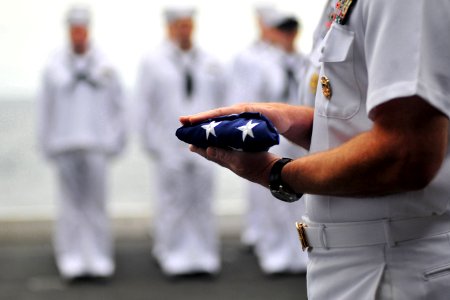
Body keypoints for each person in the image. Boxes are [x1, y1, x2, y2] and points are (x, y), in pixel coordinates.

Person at [181, 0, 450, 299]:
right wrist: (299, 122)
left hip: (392, 268)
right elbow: (359, 123)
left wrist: (276, 173)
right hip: (360, 262)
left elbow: (405, 153)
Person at [37, 6, 126, 280]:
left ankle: (98, 258)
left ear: (88, 30)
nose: (78, 35)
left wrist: (115, 140)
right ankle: (71, 259)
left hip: (96, 144)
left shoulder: (105, 66)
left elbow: (118, 106)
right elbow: (45, 108)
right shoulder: (53, 67)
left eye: (82, 29)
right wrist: (46, 143)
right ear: (69, 31)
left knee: (96, 205)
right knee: (70, 207)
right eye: (74, 29)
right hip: (65, 144)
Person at [136, 6, 226, 276]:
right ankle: (173, 255)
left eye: (188, 25)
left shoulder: (209, 61)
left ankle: (204, 255)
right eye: (179, 25)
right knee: (172, 203)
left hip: (205, 143)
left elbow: (222, 101)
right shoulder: (153, 62)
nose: (184, 30)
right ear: (169, 27)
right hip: (169, 145)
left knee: (202, 201)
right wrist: (152, 144)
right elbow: (143, 105)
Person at [227, 8, 309, 274]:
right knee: (273, 198)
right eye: (283, 30)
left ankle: (300, 253)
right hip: (271, 138)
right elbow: (250, 101)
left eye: (291, 30)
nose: (288, 36)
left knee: (303, 199)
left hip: (302, 139)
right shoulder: (261, 63)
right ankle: (274, 254)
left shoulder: (305, 62)